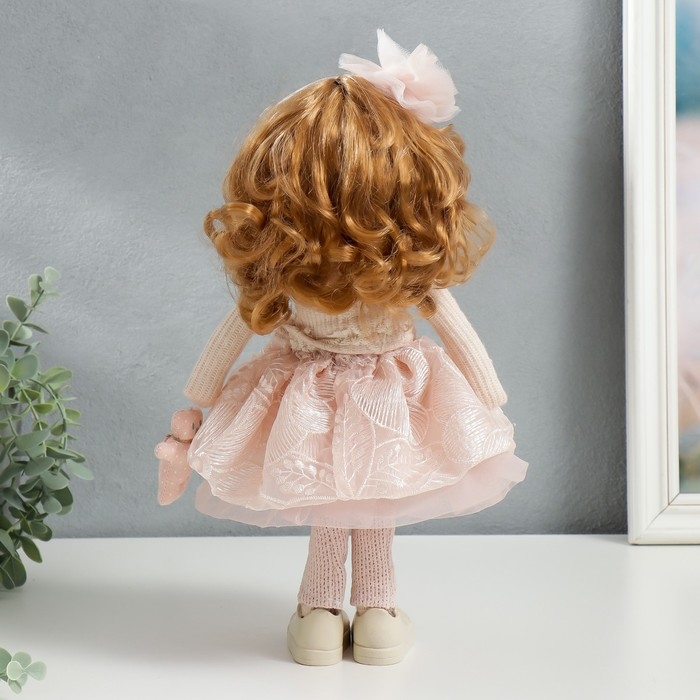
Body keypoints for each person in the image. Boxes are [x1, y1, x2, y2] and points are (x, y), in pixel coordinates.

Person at [160, 29, 528, 666]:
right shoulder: (407, 272)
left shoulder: (286, 270)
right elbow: (457, 332)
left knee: (331, 506)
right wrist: (488, 398)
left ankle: (319, 617)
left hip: (308, 396)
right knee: (374, 502)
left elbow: (234, 331)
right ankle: (378, 615)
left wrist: (199, 400)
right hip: (391, 396)